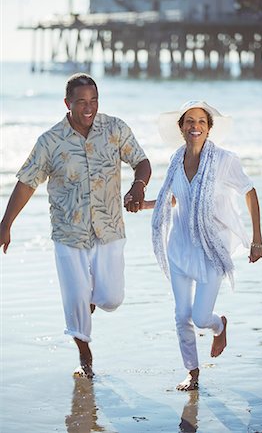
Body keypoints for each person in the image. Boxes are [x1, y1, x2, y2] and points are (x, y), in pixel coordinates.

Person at [0, 73, 151, 378]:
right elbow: (27, 183)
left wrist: (138, 186)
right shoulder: (50, 141)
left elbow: (141, 161)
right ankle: (84, 353)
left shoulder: (115, 128)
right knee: (74, 297)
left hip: (109, 227)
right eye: (81, 101)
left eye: (93, 100)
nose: (88, 107)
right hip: (69, 232)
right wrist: (6, 223)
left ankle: (91, 301)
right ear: (67, 103)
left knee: (112, 298)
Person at [125, 100, 262, 391]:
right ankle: (192, 371)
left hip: (211, 249)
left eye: (202, 121)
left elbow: (250, 192)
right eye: (189, 121)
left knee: (201, 317)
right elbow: (173, 197)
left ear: (209, 127)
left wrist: (257, 240)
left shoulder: (225, 160)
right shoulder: (177, 159)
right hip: (179, 247)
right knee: (181, 315)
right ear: (181, 127)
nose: (195, 126)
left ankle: (219, 326)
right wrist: (144, 205)